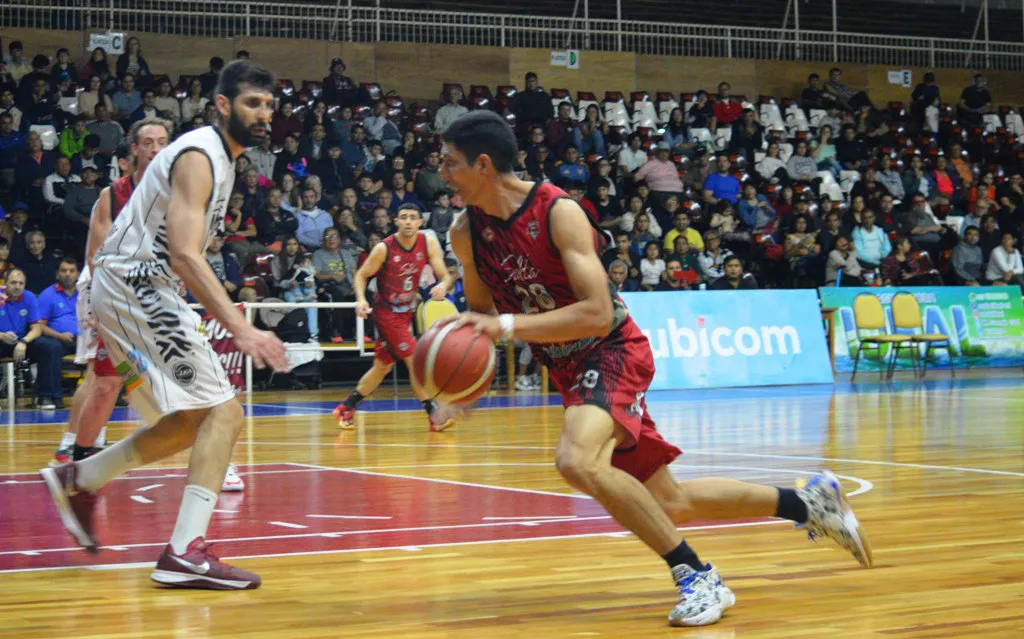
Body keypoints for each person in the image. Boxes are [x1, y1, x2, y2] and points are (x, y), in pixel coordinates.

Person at [436, 111, 871, 627]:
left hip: (612, 349)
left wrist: (506, 327)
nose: (441, 173)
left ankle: (696, 575)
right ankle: (808, 504)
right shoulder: (466, 232)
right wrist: (460, 388)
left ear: (482, 164)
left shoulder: (557, 212)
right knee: (671, 502)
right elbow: (483, 317)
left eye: (449, 163)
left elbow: (596, 313)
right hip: (568, 367)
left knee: (576, 460)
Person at [40, 60, 289, 590]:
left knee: (192, 420)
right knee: (225, 412)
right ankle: (184, 551)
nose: (264, 114)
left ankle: (80, 477)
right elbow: (183, 255)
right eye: (252, 103)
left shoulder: (223, 159)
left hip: (140, 287)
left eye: (269, 105)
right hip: (137, 284)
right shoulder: (201, 156)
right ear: (223, 105)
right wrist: (241, 329)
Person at [48, 120, 169, 469]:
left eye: (162, 142)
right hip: (104, 289)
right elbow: (96, 258)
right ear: (134, 151)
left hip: (147, 291)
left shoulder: (174, 193)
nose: (156, 149)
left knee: (117, 377)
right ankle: (74, 445)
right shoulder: (113, 195)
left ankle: (82, 443)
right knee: (101, 375)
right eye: (148, 142)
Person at [333, 204, 457, 431]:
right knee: (415, 361)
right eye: (403, 218)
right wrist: (360, 299)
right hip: (386, 314)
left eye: (413, 218)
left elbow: (446, 276)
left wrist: (444, 285)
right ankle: (434, 415)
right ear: (396, 222)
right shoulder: (384, 248)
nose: (408, 221)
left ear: (421, 222)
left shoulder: (427, 242)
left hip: (406, 313)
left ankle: (346, 408)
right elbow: (361, 275)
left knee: (382, 367)